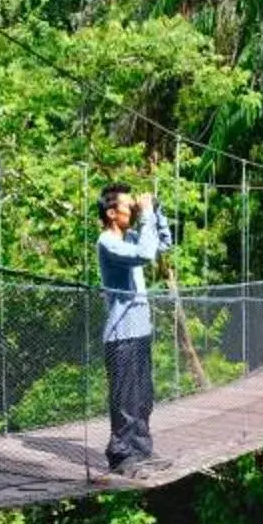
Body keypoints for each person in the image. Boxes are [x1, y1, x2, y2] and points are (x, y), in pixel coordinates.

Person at [96, 183, 171, 479]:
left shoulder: (131, 236)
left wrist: (157, 211)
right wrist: (148, 215)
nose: (135, 210)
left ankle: (142, 452)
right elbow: (144, 255)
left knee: (142, 397)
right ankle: (122, 457)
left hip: (140, 331)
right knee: (125, 400)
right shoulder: (108, 242)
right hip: (121, 334)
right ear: (112, 213)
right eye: (130, 206)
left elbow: (162, 244)